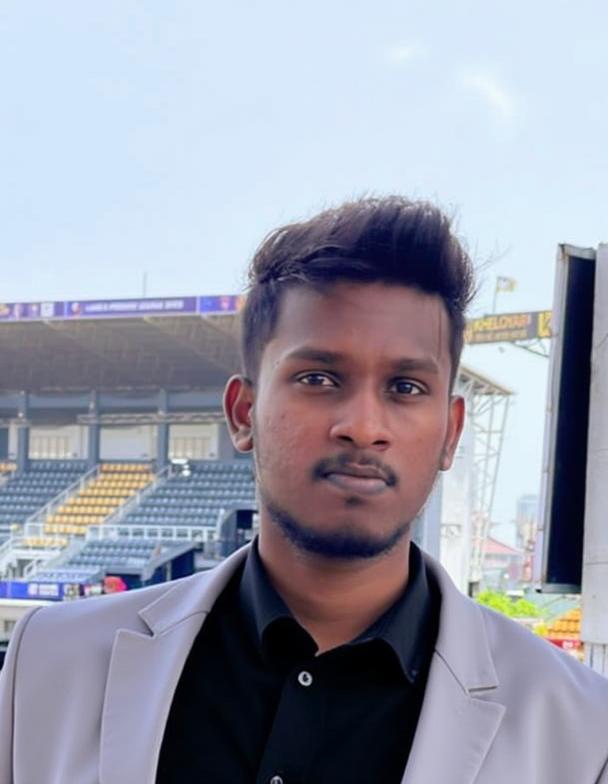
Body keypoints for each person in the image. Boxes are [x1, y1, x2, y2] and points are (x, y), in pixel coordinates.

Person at [1, 197, 607, 784]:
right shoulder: (52, 660)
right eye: (318, 378)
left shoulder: (578, 729)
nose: (363, 426)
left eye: (405, 387)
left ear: (450, 433)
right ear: (243, 412)